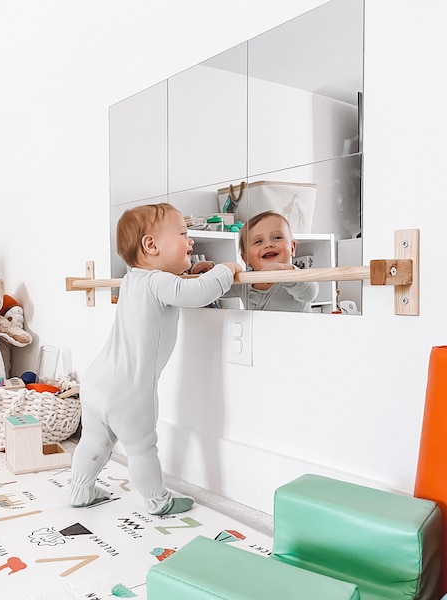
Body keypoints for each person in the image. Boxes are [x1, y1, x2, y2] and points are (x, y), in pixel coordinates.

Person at [70, 203, 242, 515]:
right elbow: (197, 294)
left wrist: (189, 272)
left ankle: (80, 489)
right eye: (183, 234)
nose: (191, 242)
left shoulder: (134, 279)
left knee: (94, 442)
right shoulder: (158, 282)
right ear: (151, 245)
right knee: (141, 449)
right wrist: (224, 271)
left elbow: (177, 286)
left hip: (97, 381)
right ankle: (158, 502)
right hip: (129, 390)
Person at [238, 211, 318, 312]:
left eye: (277, 237)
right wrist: (215, 269)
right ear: (246, 259)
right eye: (258, 241)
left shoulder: (295, 278)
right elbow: (217, 287)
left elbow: (310, 292)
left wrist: (284, 271)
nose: (268, 244)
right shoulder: (244, 281)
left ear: (292, 248)